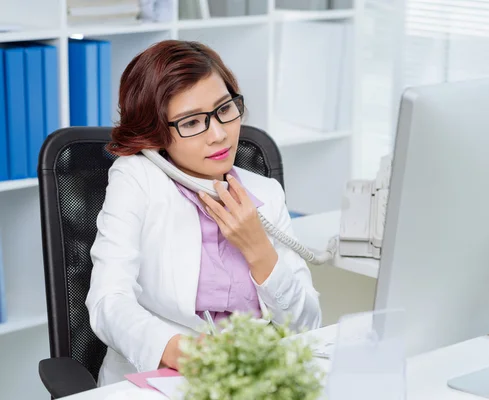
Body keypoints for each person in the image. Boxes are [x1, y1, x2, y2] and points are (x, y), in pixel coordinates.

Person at [85, 40, 322, 386]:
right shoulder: (136, 179)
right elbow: (108, 301)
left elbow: (308, 326)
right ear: (155, 134)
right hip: (162, 383)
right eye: (192, 122)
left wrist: (259, 249)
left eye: (225, 109)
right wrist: (187, 353)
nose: (219, 134)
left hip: (253, 382)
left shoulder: (266, 195)